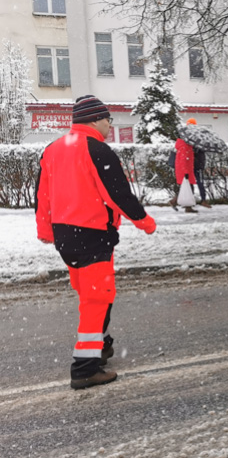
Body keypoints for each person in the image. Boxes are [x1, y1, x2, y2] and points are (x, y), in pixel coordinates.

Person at [35, 95, 157, 390]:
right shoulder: (96, 149)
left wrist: (46, 231)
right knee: (96, 299)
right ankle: (85, 368)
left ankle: (102, 345)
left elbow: (42, 196)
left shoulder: (52, 149)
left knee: (92, 294)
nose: (109, 125)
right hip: (92, 235)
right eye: (108, 120)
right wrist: (145, 222)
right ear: (95, 119)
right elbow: (117, 194)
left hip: (66, 237)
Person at [171, 118, 209, 213]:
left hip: (188, 168)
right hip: (187, 169)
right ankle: (187, 207)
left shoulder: (186, 143)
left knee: (186, 187)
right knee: (189, 186)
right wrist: (186, 172)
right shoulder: (186, 145)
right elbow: (184, 159)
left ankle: (175, 201)